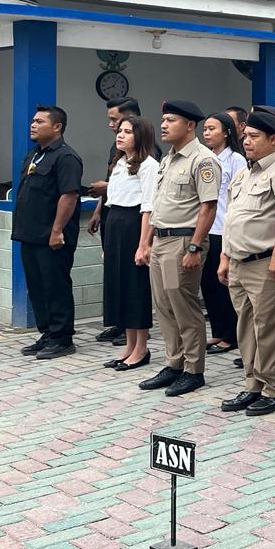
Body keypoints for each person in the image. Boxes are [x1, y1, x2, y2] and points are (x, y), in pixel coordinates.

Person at [217, 111, 275, 417]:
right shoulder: (247, 173)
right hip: (241, 261)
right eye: (245, 137)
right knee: (246, 326)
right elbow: (233, 219)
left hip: (268, 261)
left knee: (270, 327)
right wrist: (225, 257)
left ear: (273, 139)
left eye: (253, 137)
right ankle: (253, 383)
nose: (247, 142)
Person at [139, 101, 221, 397]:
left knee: (183, 305)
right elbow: (158, 204)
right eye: (163, 119)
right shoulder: (168, 159)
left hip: (183, 242)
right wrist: (147, 241)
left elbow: (208, 207)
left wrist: (196, 246)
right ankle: (174, 363)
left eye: (171, 120)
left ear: (190, 125)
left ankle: (193, 370)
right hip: (162, 240)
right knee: (163, 305)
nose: (163, 125)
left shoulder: (203, 160)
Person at [13, 105, 83, 360]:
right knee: (38, 287)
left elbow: (69, 196)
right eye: (33, 120)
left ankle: (63, 338)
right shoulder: (34, 155)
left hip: (53, 238)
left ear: (57, 127)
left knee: (56, 286)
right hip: (30, 235)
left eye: (40, 121)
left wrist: (57, 231)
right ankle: (48, 333)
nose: (33, 124)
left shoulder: (66, 157)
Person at [88, 96, 147, 344]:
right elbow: (115, 187)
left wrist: (145, 242)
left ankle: (132, 329)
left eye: (117, 121)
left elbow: (144, 196)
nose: (113, 127)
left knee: (132, 277)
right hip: (113, 216)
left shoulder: (146, 152)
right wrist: (99, 210)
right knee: (115, 274)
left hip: (132, 222)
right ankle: (119, 322)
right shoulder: (118, 153)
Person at [102, 116, 158, 370]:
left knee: (135, 287)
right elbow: (112, 201)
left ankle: (142, 348)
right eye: (120, 131)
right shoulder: (120, 163)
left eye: (128, 131)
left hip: (134, 225)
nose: (120, 135)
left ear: (141, 136)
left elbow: (148, 207)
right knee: (119, 286)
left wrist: (143, 244)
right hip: (115, 224)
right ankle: (128, 345)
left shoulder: (148, 165)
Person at [198, 113, 247, 356]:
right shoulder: (205, 159)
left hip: (224, 229)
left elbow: (237, 196)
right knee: (208, 285)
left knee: (224, 286)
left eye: (211, 129)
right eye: (204, 129)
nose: (206, 133)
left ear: (226, 132)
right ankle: (218, 331)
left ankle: (231, 335)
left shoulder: (236, 159)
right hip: (206, 229)